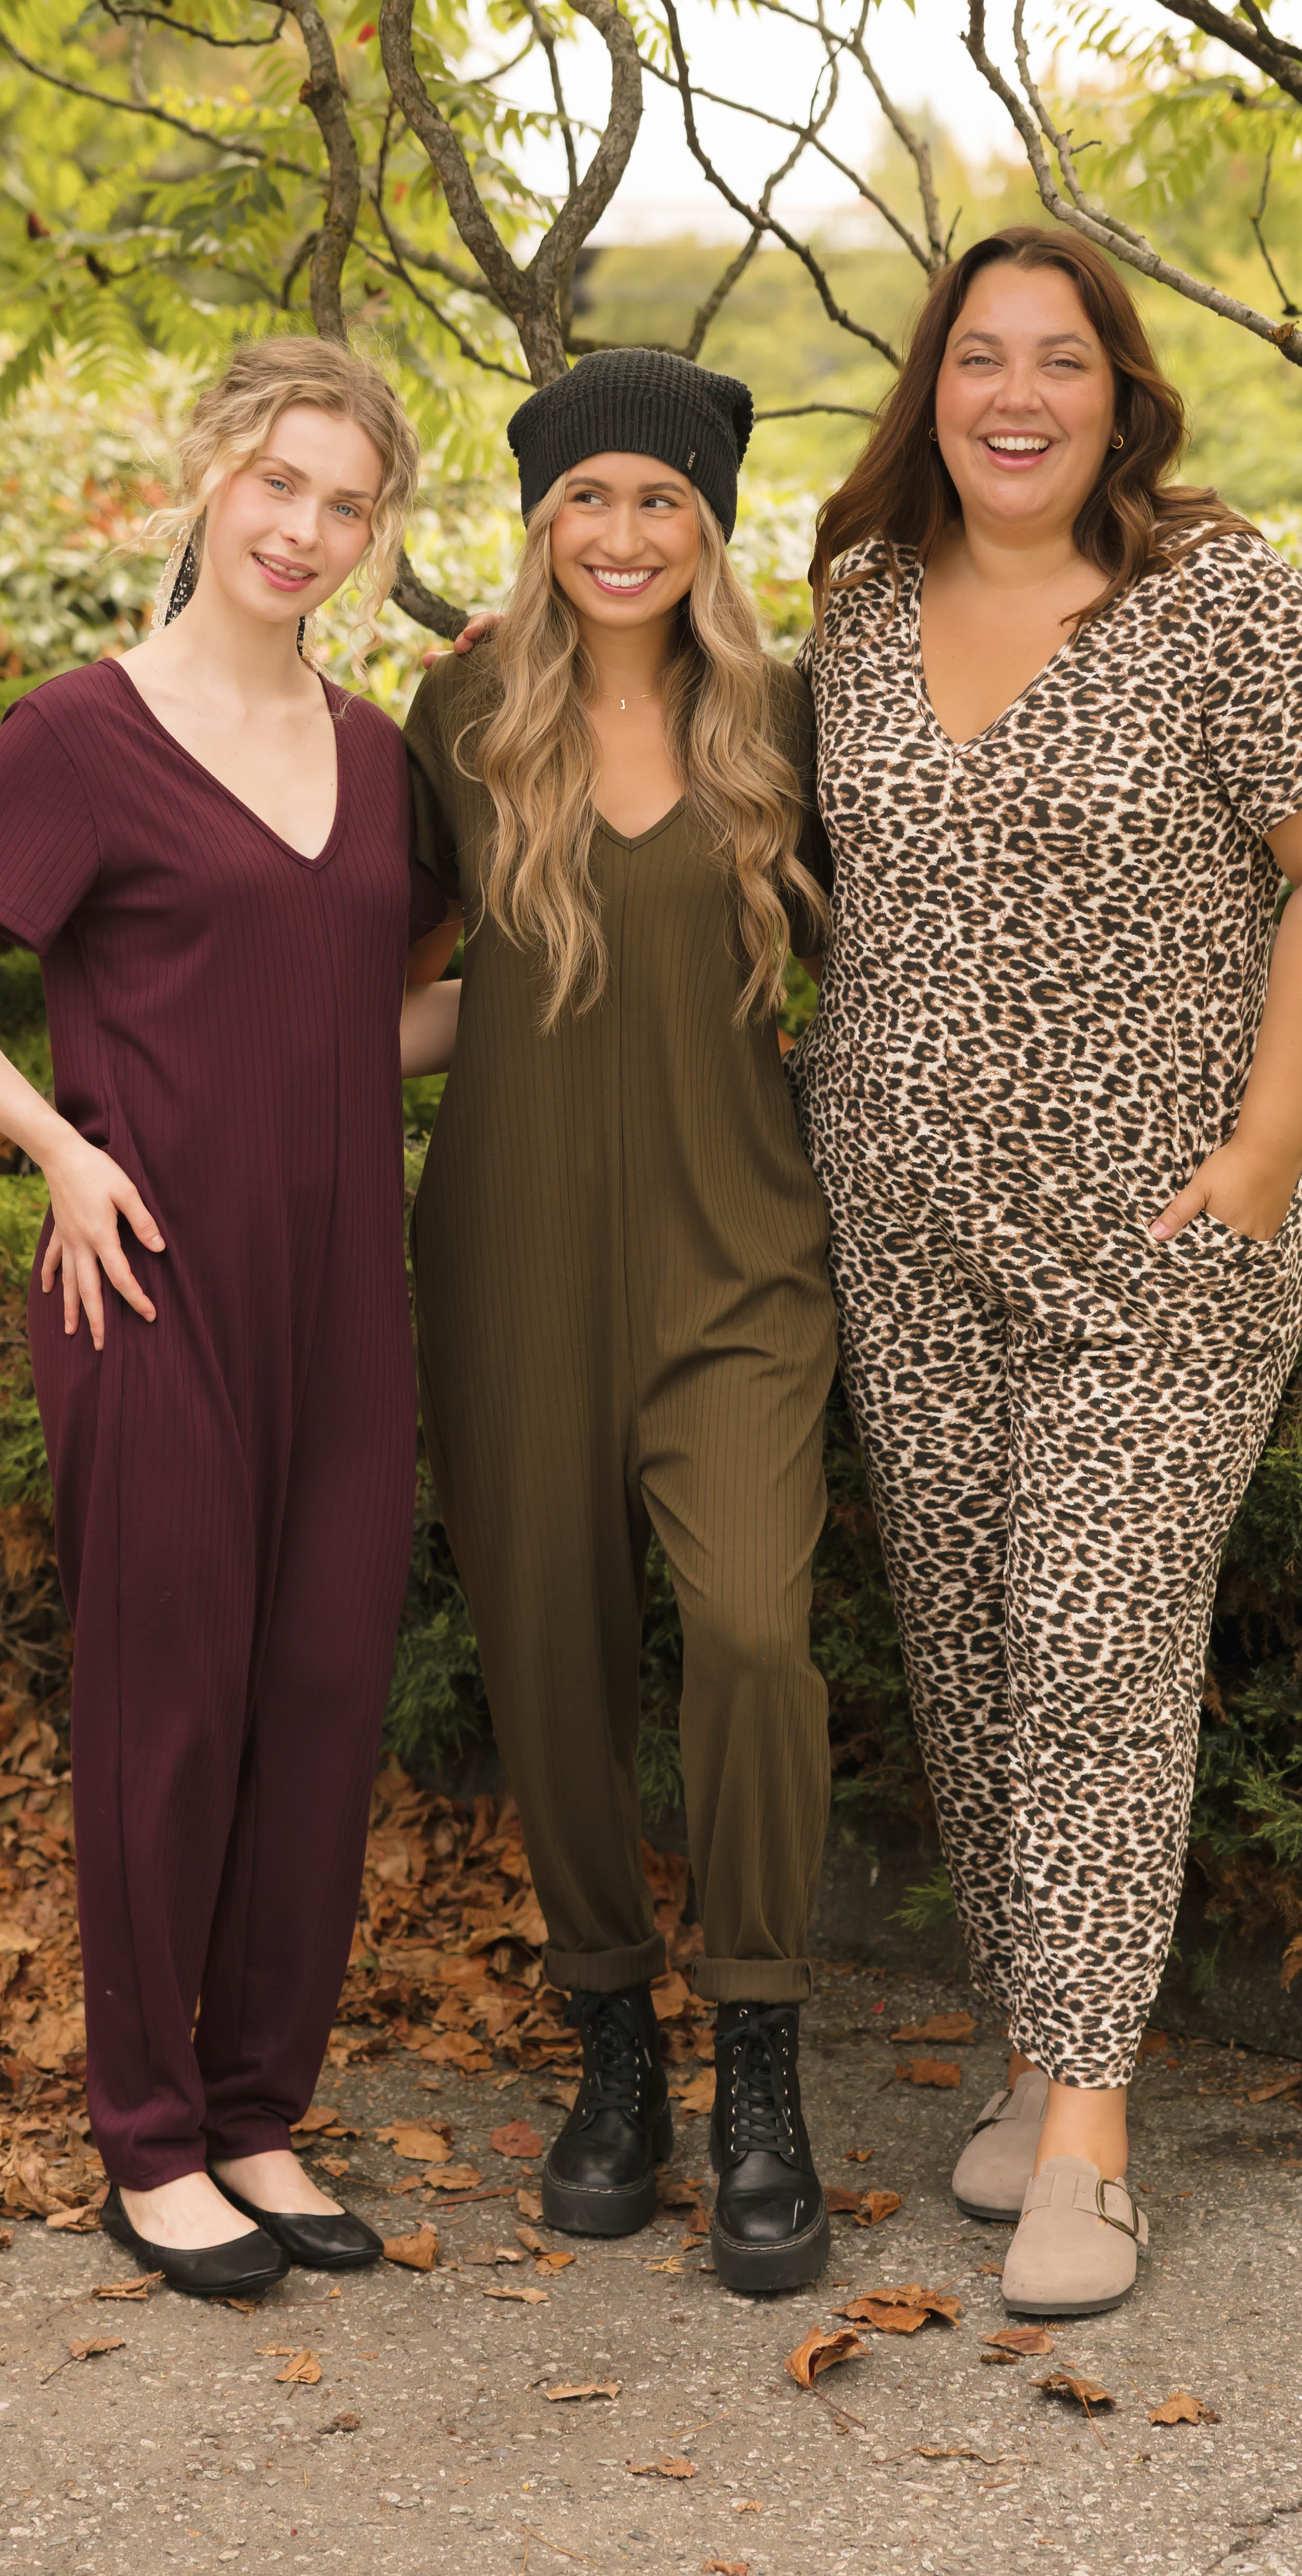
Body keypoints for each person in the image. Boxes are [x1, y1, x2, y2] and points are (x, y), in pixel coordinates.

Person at [794, 226, 1302, 2323]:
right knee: (963, 1650)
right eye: (981, 358)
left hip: (1161, 1240)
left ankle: (1087, 2137)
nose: (1018, 395)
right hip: (903, 1226)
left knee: (1088, 1643)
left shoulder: (1216, 602)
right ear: (932, 390)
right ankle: (1032, 2031)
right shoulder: (854, 617)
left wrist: (1258, 1158)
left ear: (1119, 394)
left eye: (1061, 359)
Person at [0, 339, 457, 2300]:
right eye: (279, 482)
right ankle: (152, 2138)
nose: (304, 529)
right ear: (210, 477)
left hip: (354, 1295)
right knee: (170, 1706)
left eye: (348, 505)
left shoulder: (378, 761)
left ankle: (264, 2114)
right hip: (154, 1282)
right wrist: (54, 1148)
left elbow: (384, 1011)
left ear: (379, 535)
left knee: (320, 1700)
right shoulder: (79, 734)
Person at [401, 347, 840, 2294]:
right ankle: (612, 2053)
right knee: (554, 1658)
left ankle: (758, 2067)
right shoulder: (462, 716)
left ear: (711, 529)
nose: (623, 534)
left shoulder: (790, 719)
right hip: (507, 1257)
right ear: (538, 519)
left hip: (739, 1259)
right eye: (588, 497)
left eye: (661, 499)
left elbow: (913, 965)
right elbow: (394, 973)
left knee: (752, 1633)